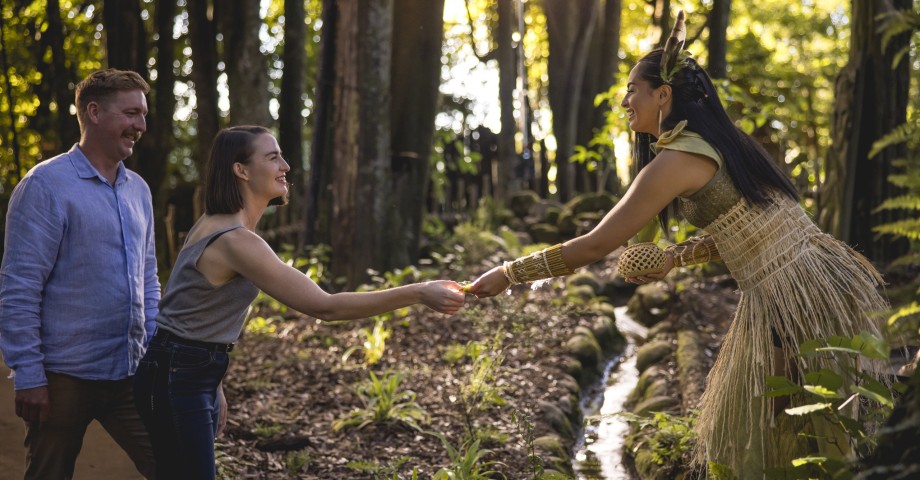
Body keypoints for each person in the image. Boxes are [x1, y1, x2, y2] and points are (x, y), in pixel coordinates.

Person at [468, 12, 890, 478]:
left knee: (783, 435)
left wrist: (509, 273)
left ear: (662, 94)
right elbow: (747, 228)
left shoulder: (677, 159)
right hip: (808, 281)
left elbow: (593, 247)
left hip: (794, 294)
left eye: (633, 89)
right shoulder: (714, 144)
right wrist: (675, 257)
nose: (625, 99)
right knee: (794, 428)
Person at [133, 125, 466, 480]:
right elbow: (326, 307)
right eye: (273, 157)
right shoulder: (235, 240)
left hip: (186, 368)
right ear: (241, 169)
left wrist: (213, 380)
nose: (286, 166)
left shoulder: (219, 224)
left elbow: (191, 312)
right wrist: (417, 292)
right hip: (177, 374)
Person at [0, 69, 158, 479]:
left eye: (143, 115)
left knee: (174, 463)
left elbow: (148, 280)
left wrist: (157, 357)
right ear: (94, 112)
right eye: (131, 113)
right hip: (63, 378)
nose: (141, 125)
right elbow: (20, 287)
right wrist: (29, 376)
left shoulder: (138, 189)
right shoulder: (46, 186)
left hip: (130, 372)